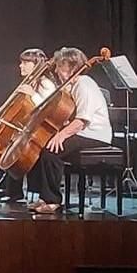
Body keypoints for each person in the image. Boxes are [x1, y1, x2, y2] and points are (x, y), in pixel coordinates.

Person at [23, 47, 113, 214]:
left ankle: (53, 201)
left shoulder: (84, 84)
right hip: (81, 132)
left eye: (60, 66)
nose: (56, 70)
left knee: (51, 150)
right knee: (41, 146)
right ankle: (43, 196)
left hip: (94, 134)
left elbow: (82, 120)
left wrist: (61, 135)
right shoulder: (71, 86)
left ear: (72, 67)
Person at [0, 48, 58, 203]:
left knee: (18, 150)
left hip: (42, 130)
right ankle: (9, 190)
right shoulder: (31, 82)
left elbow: (47, 109)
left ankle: (17, 191)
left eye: (25, 63)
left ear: (36, 65)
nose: (21, 66)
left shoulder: (46, 83)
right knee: (8, 143)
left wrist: (31, 95)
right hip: (29, 127)